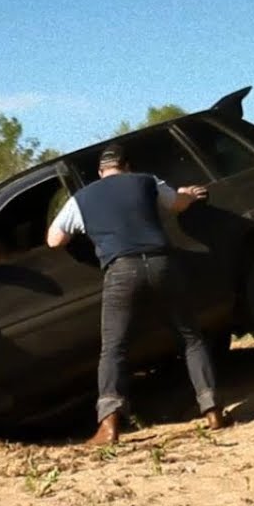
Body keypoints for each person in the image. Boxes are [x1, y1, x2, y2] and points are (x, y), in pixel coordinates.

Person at [46, 142, 230, 444]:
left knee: (114, 349)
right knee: (190, 338)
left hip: (122, 271)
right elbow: (177, 204)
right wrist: (188, 194)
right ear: (128, 166)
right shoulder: (146, 181)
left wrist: (89, 234)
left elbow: (54, 239)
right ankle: (212, 410)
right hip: (162, 264)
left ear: (100, 171)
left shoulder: (81, 199)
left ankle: (109, 426)